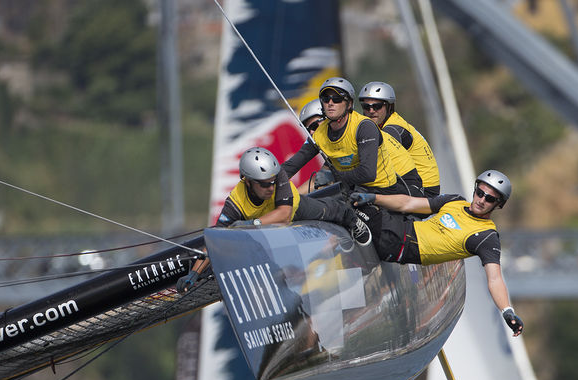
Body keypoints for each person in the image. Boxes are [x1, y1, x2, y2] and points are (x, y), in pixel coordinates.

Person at [349, 169, 525, 336]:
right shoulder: (455, 201)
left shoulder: (487, 237)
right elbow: (408, 203)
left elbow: (495, 278)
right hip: (398, 228)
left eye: (489, 199)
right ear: (475, 189)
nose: (481, 200)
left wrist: (507, 311)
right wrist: (373, 198)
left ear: (498, 204)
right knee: (351, 196)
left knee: (346, 210)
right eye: (480, 192)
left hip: (399, 245)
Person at [177, 146, 363, 291]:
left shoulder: (278, 176)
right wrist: (194, 273)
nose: (271, 188)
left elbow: (284, 214)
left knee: (332, 211)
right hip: (267, 231)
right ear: (248, 181)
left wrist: (250, 224)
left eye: (273, 182)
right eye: (265, 184)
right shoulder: (235, 202)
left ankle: (355, 220)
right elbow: (215, 239)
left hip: (294, 208)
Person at [280, 77, 414, 199]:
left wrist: (332, 177)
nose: (330, 103)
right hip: (355, 189)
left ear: (349, 104)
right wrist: (268, 183)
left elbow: (367, 173)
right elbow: (292, 165)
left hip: (386, 191)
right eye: (326, 99)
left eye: (337, 99)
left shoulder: (365, 127)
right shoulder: (320, 133)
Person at [359, 81, 441, 196]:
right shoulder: (385, 124)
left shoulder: (394, 129)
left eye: (377, 106)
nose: (371, 111)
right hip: (415, 185)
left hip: (424, 191)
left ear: (389, 106)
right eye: (366, 107)